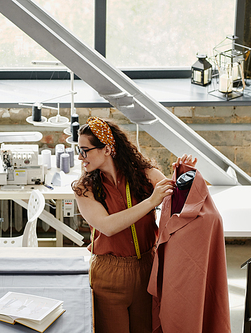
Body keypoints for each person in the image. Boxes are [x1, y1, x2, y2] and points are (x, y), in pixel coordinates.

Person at [71, 116, 196, 333]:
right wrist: (151, 201)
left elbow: (178, 203)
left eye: (85, 150)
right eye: (78, 150)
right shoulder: (84, 188)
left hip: (147, 268)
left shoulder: (144, 175)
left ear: (107, 149)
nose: (80, 157)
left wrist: (183, 175)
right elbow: (107, 226)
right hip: (108, 274)